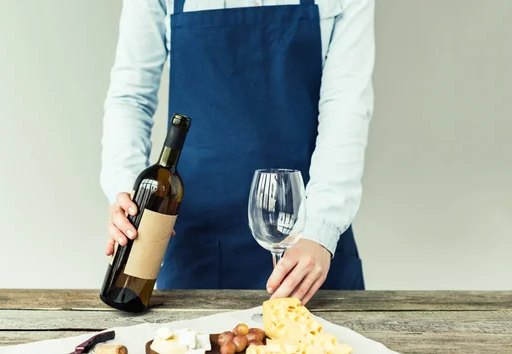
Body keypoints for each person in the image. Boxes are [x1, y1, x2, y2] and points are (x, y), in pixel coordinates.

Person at [100, 0, 375, 304]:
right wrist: (127, 191)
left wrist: (321, 229)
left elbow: (347, 103)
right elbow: (131, 97)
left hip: (306, 239)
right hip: (195, 245)